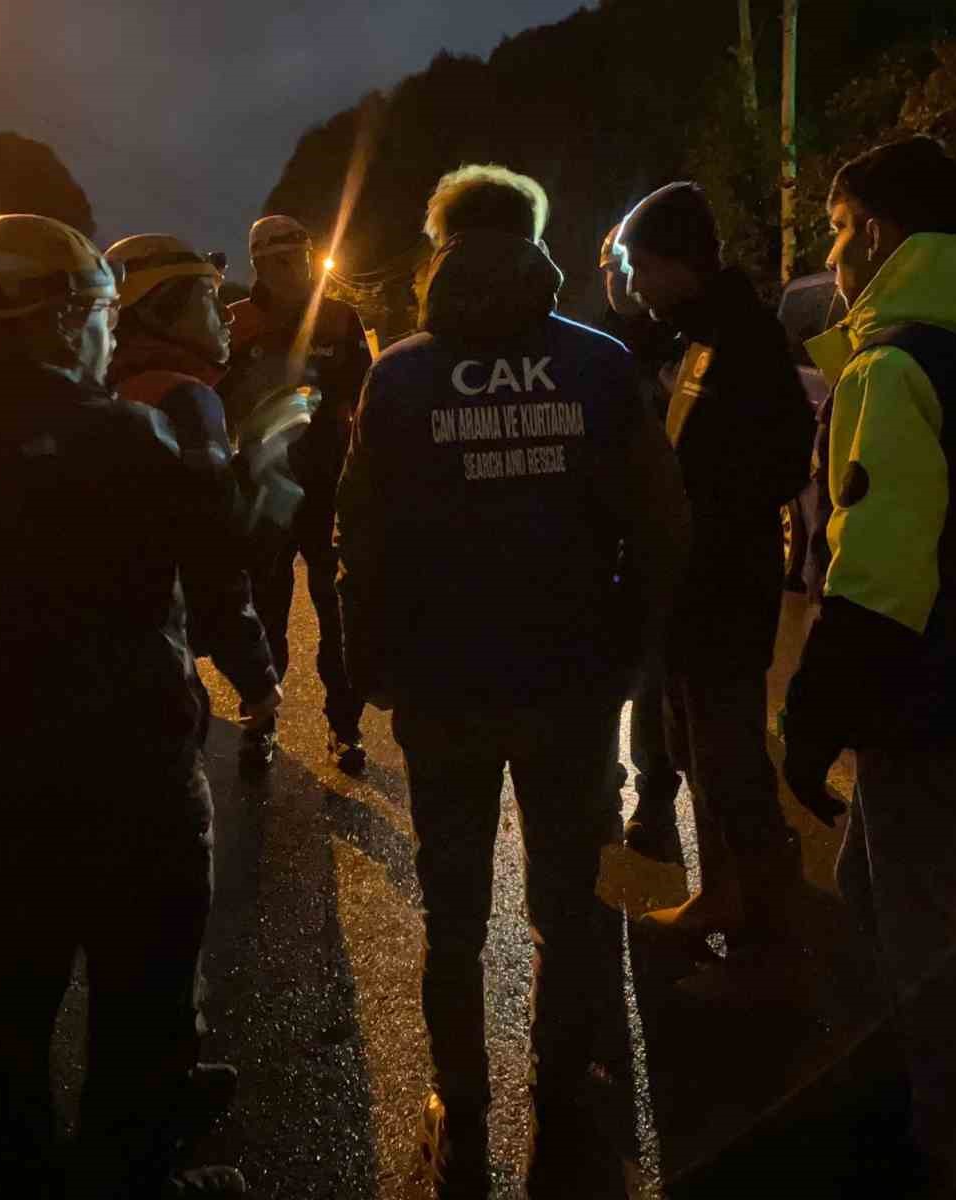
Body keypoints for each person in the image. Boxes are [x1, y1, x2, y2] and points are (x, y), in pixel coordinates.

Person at [0, 214, 281, 1199]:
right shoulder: (131, 439)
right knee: (141, 1000)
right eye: (102, 313)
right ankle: (136, 1177)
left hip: (16, 773)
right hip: (139, 778)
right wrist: (255, 660)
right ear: (71, 319)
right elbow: (216, 571)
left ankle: (21, 1176)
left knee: (16, 1006)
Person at [336, 165, 690, 1197]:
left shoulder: (398, 376)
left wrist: (371, 667)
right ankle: (561, 1090)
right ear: (532, 242)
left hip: (444, 687)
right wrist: (631, 644)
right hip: (572, 685)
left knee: (451, 912)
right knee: (568, 902)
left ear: (440, 246)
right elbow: (662, 525)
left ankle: (461, 1103)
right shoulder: (599, 365)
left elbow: (363, 535)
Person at [779, 136, 956, 1184]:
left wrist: (809, 720)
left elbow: (876, 571)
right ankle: (880, 1073)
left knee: (913, 919)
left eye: (841, 227)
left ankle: (942, 1124)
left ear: (882, 231)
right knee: (875, 889)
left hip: (925, 691)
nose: (835, 250)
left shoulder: (899, 363)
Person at [615, 183, 813, 963]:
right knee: (695, 750)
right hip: (689, 593)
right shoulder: (695, 337)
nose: (632, 286)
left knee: (729, 760)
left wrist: (696, 511)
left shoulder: (744, 341)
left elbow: (777, 458)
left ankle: (770, 940)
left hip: (723, 591)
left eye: (639, 268)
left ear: (680, 262)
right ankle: (725, 894)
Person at [219, 215, 372, 775]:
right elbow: (216, 402)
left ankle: (344, 726)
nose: (293, 268)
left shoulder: (339, 317)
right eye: (280, 259)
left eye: (300, 256)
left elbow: (366, 397)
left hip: (331, 489)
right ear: (258, 263)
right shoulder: (237, 323)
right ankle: (260, 721)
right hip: (265, 495)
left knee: (338, 613)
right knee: (265, 614)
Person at [597, 223, 684, 861]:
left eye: (629, 266)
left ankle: (653, 798)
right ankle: (605, 793)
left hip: (660, 538)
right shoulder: (591, 351)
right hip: (606, 541)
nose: (623, 280)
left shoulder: (688, 337)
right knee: (602, 677)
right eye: (613, 268)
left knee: (653, 682)